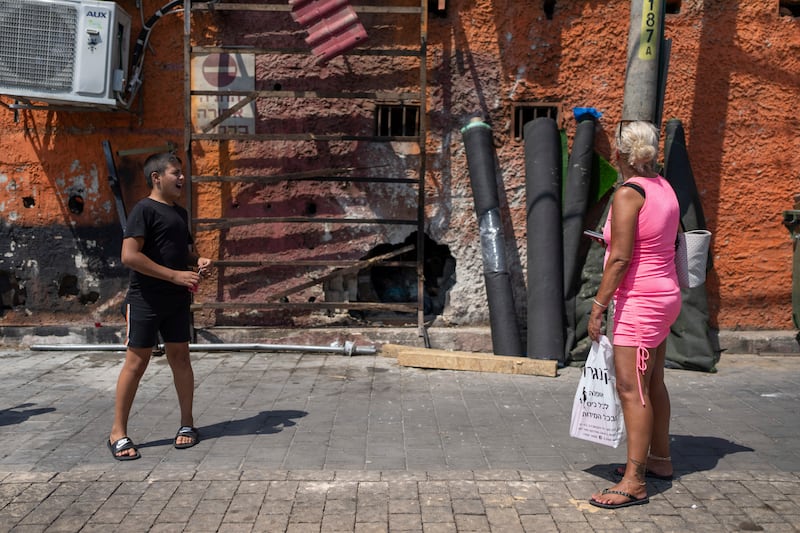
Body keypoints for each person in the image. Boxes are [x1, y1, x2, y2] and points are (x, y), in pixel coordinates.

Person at [586, 120, 681, 508]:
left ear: (620, 155)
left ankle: (634, 481)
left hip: (639, 301)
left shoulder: (629, 194)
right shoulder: (663, 186)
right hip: (665, 294)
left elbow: (621, 257)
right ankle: (659, 459)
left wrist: (598, 307)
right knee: (653, 382)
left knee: (632, 389)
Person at [107, 152, 212, 461]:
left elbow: (183, 251)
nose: (182, 178)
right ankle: (117, 432)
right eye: (175, 173)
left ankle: (187, 425)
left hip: (176, 300)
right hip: (145, 300)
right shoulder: (143, 210)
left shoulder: (179, 213)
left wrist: (197, 260)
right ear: (156, 178)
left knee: (180, 359)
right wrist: (174, 275)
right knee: (136, 364)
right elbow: (129, 256)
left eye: (182, 173)